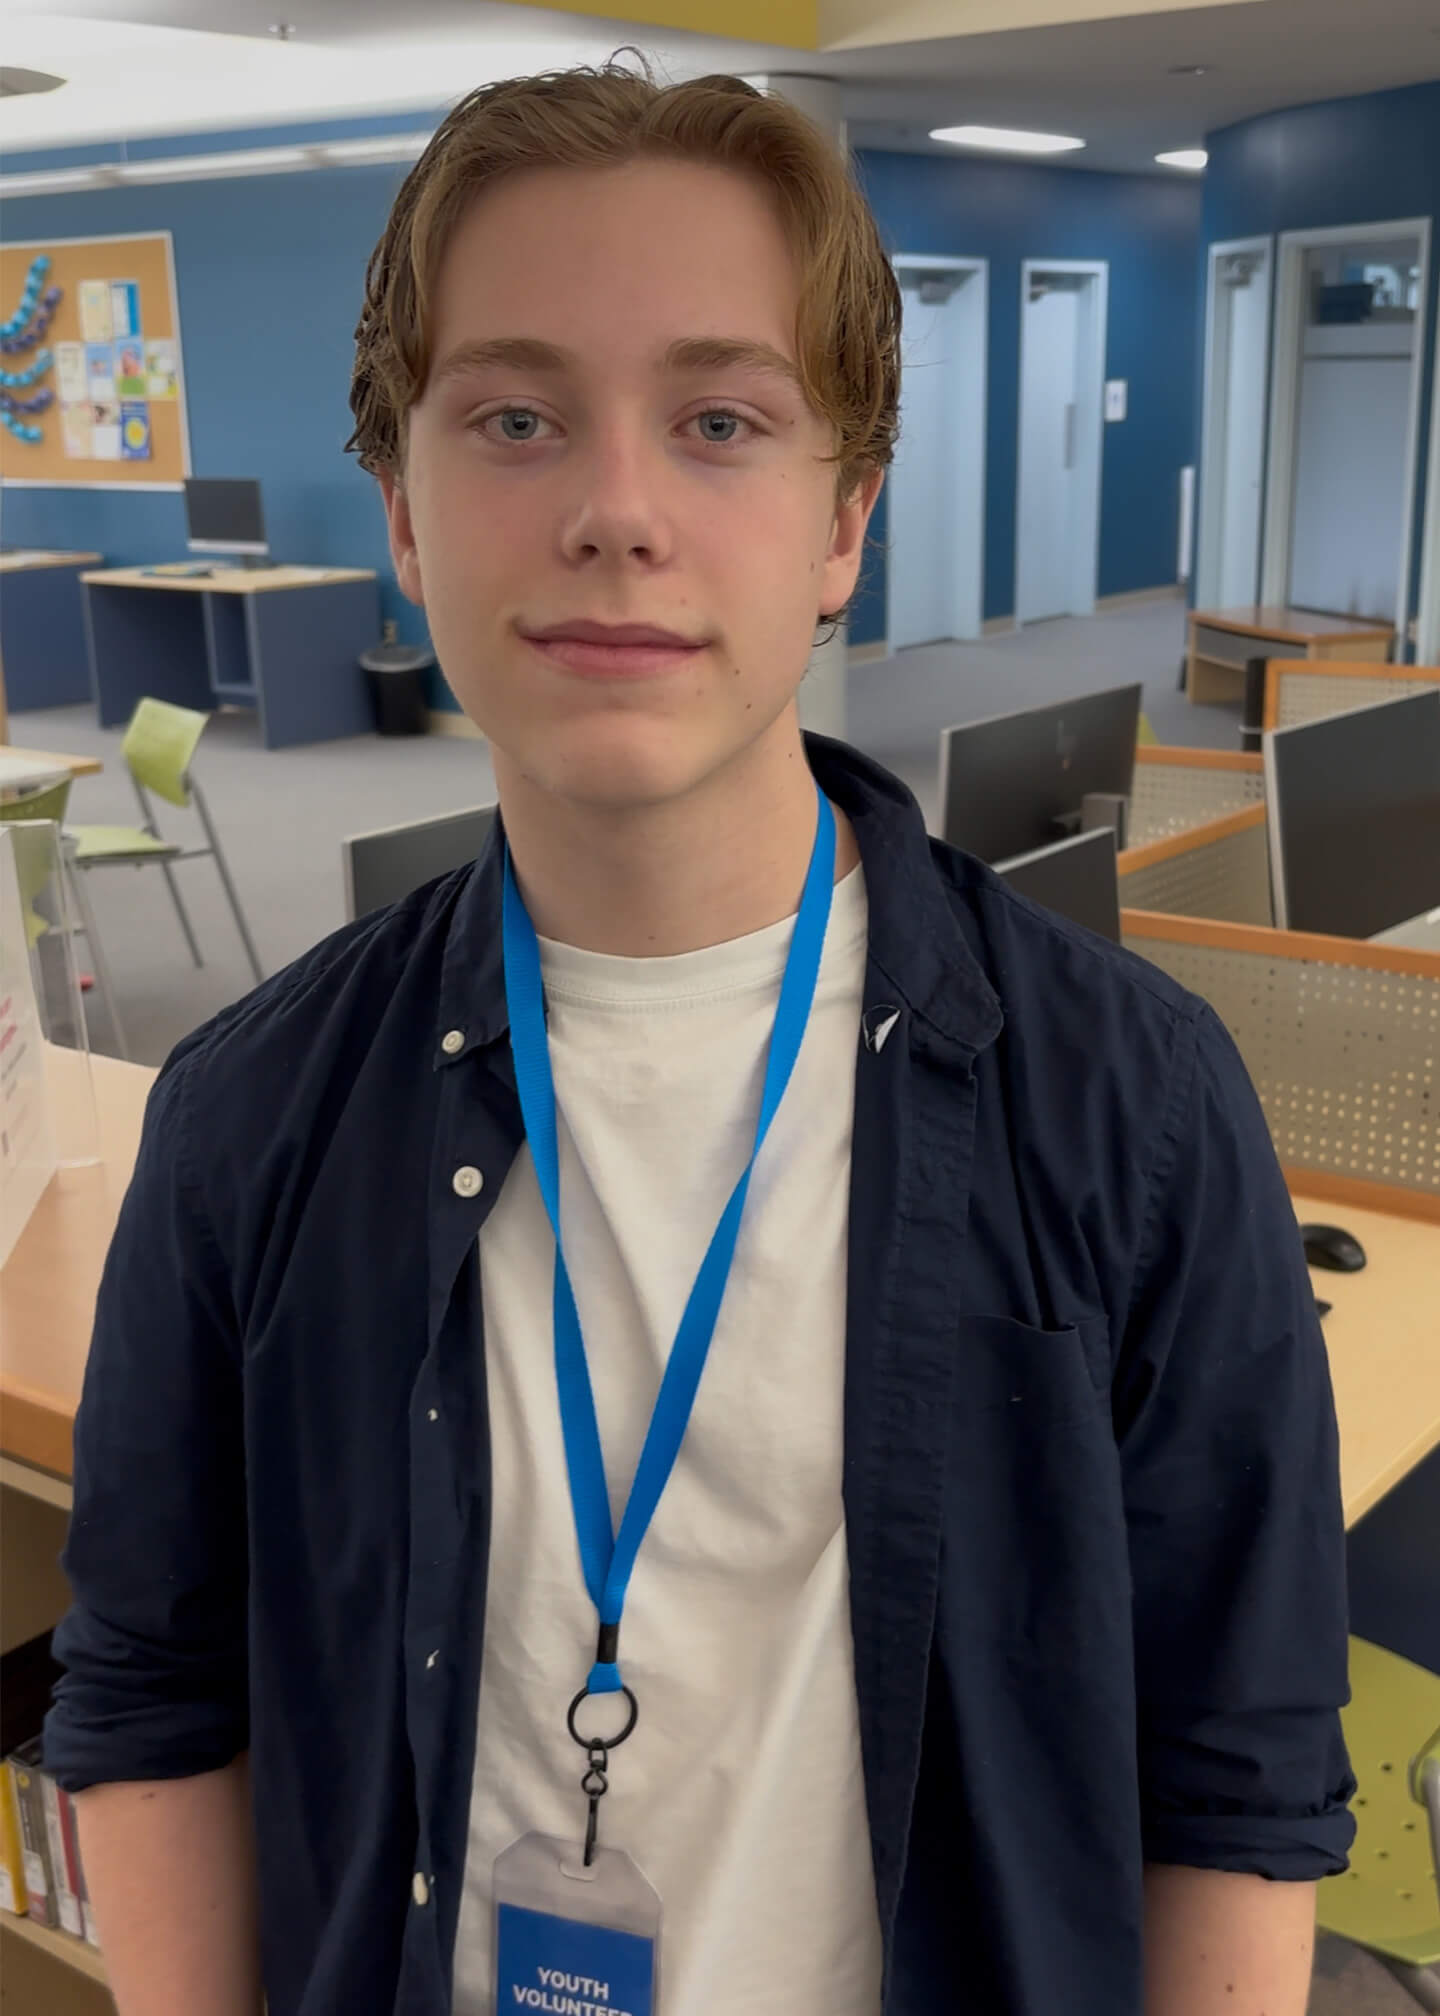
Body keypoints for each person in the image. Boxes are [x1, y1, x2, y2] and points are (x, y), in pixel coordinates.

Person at [45, 59, 1354, 2016]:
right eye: (516, 417)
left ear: (845, 521)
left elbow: (1233, 1791)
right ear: (403, 514)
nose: (617, 511)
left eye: (721, 420)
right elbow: (154, 1699)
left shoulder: (1138, 1109)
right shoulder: (250, 1118)